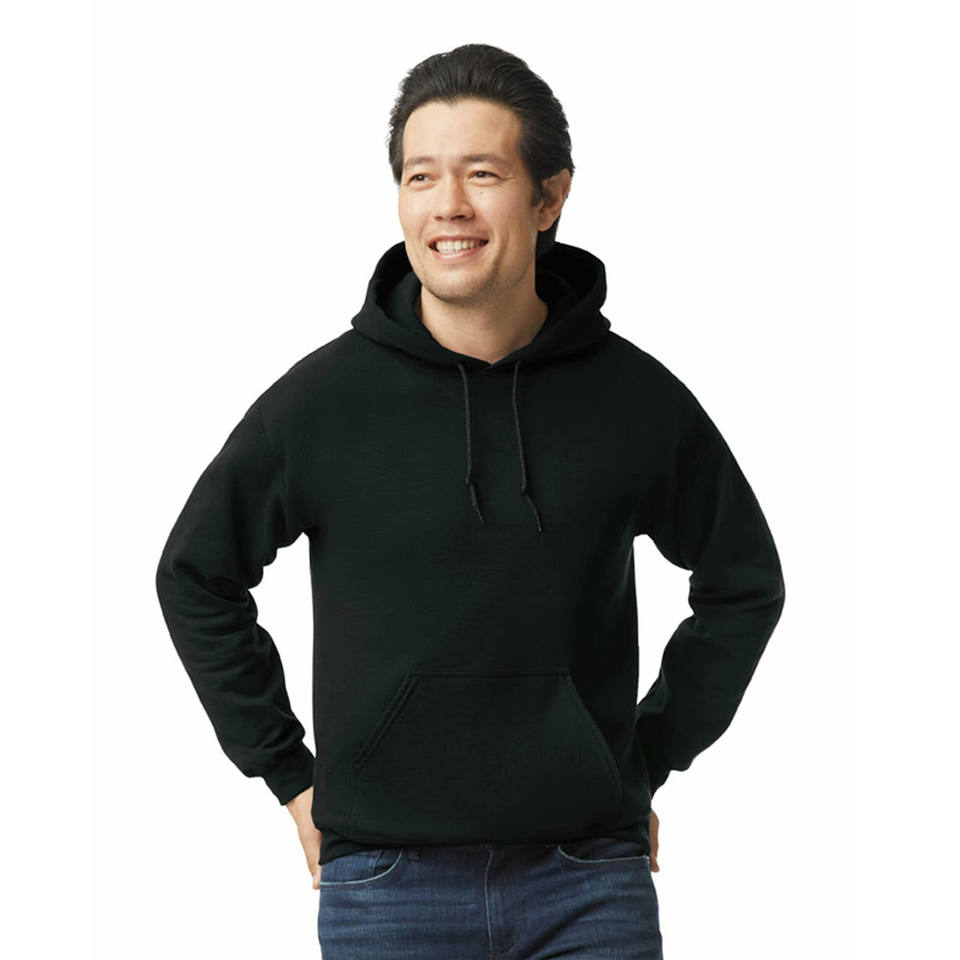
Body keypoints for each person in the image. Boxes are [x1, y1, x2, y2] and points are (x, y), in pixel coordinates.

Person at [155, 42, 786, 960]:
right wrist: (287, 773)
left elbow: (744, 582)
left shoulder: (635, 399)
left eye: (482, 174)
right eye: (421, 176)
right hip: (386, 886)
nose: (447, 205)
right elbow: (195, 576)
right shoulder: (321, 404)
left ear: (549, 197)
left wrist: (647, 754)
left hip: (589, 881)